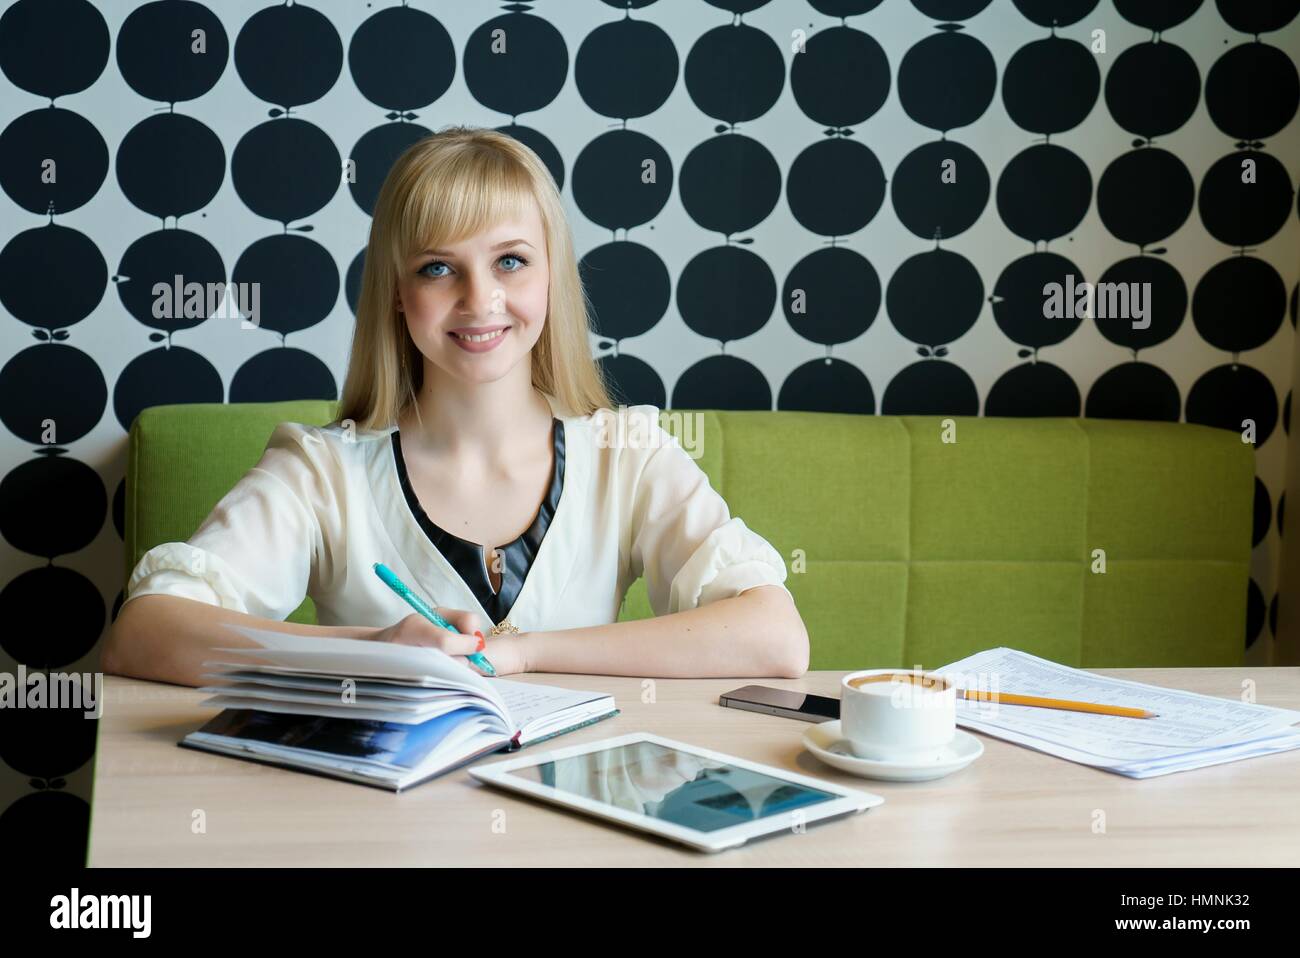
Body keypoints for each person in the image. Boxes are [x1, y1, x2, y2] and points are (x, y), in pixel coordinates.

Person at [103, 126, 809, 688]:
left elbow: (774, 638)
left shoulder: (629, 452)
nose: (480, 300)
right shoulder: (322, 471)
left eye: (510, 261)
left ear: (551, 279)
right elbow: (145, 632)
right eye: (438, 268)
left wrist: (528, 654)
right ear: (397, 294)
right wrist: (374, 650)